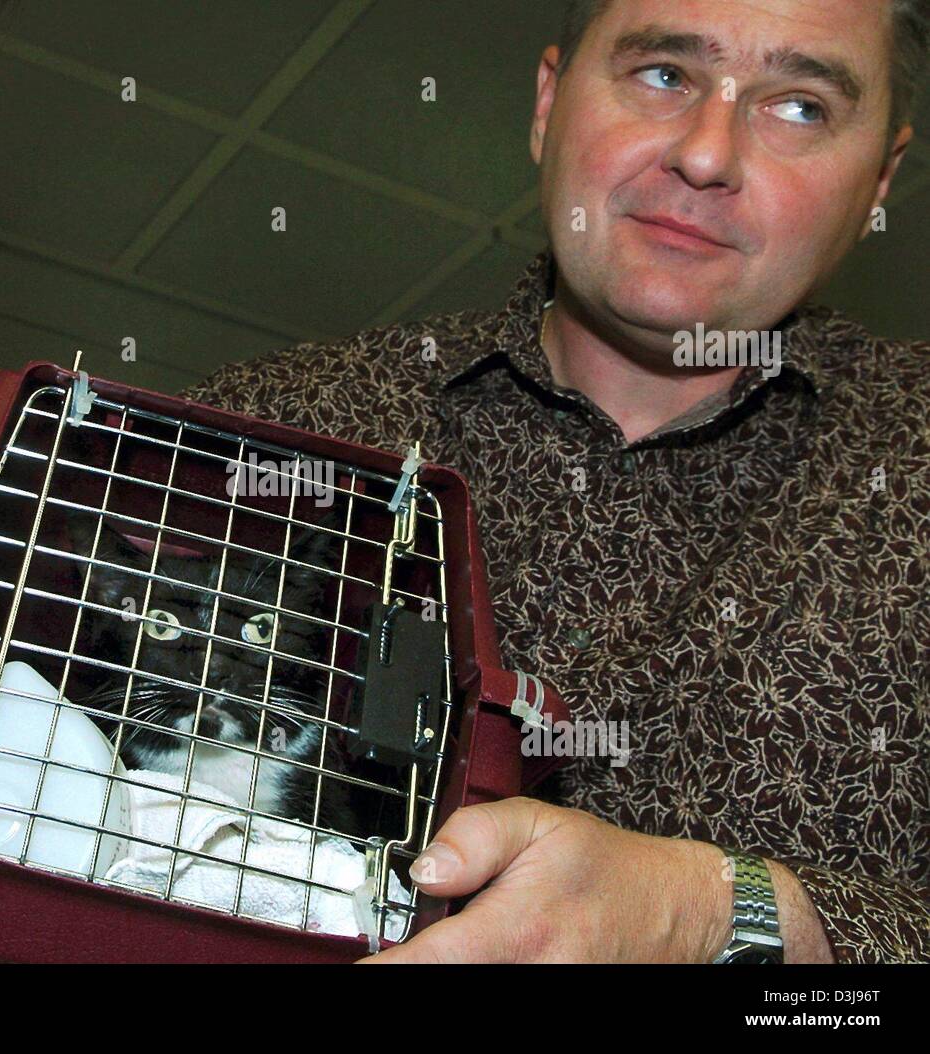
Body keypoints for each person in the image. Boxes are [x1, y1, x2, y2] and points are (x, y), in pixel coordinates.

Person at [186, 0, 930, 963]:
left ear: (880, 178)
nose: (707, 154)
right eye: (664, 74)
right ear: (547, 104)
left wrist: (719, 923)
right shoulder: (256, 434)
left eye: (800, 107)